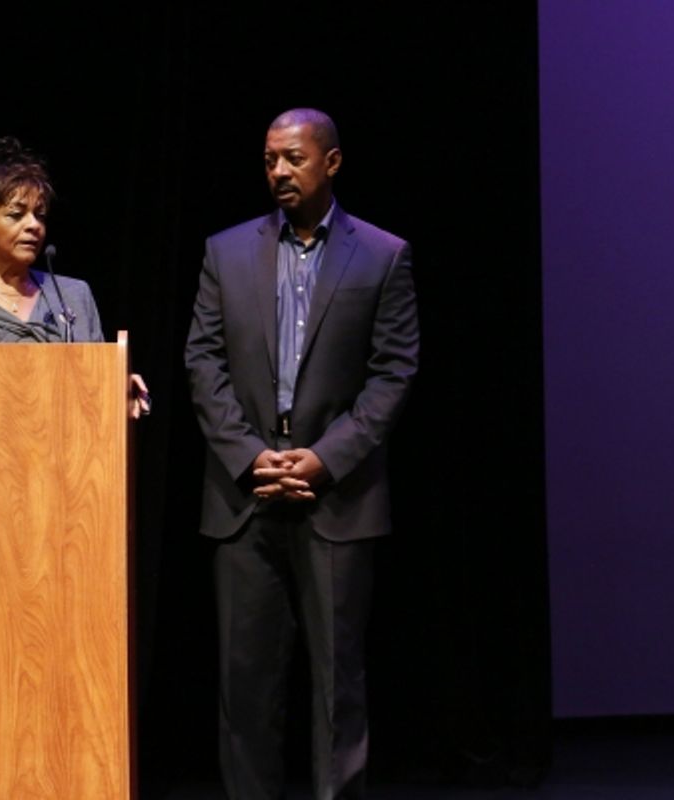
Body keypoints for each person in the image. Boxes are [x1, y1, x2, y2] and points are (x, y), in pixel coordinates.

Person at [185, 107, 418, 799]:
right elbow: (203, 360)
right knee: (246, 688)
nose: (279, 172)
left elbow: (393, 372)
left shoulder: (381, 254)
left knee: (335, 687)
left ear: (332, 162)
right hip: (243, 497)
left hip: (336, 499)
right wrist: (251, 454)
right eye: (269, 161)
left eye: (293, 158)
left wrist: (325, 458)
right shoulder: (226, 252)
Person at [0, 136, 150, 417]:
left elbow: (92, 391)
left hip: (65, 454)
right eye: (16, 215)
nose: (33, 226)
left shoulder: (73, 296)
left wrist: (118, 391)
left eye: (39, 215)